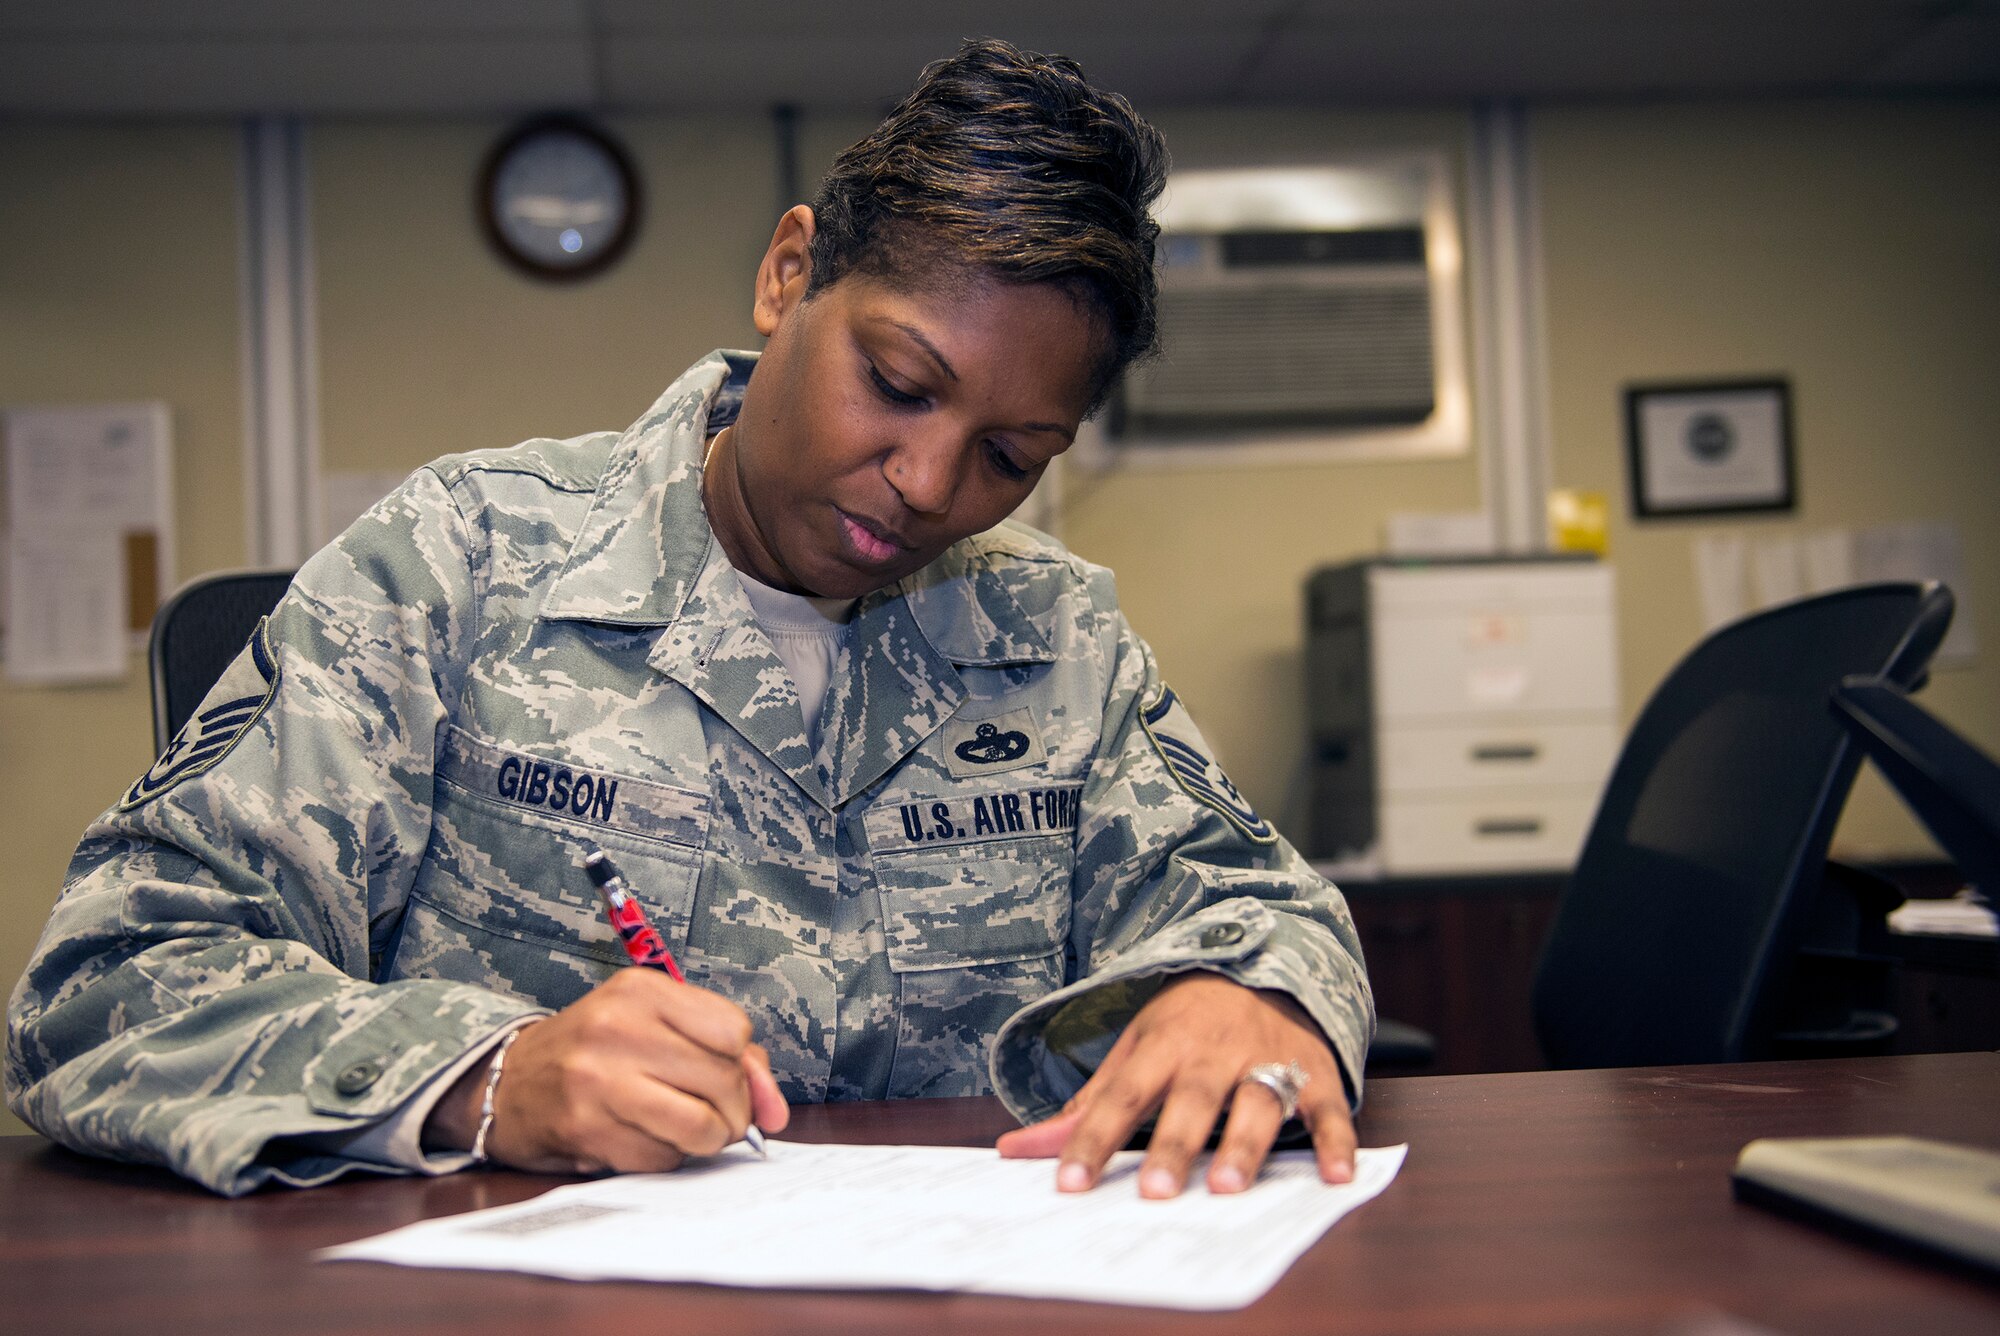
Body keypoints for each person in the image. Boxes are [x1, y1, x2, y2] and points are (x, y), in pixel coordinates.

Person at [5, 38, 1374, 1200]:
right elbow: (107, 982)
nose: (931, 483)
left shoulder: (1055, 642)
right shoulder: (464, 564)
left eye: (1013, 456)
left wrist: (1256, 996)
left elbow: (1261, 906)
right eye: (898, 383)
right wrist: (484, 1078)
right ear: (790, 278)